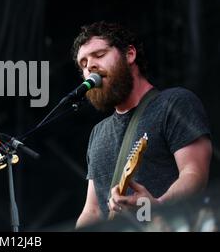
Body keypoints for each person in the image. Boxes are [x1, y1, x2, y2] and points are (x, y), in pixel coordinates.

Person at [72, 21, 212, 229]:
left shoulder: (174, 103)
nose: (89, 66)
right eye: (83, 64)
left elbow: (194, 174)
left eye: (99, 55)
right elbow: (92, 210)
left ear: (130, 54)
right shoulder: (98, 133)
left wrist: (156, 207)